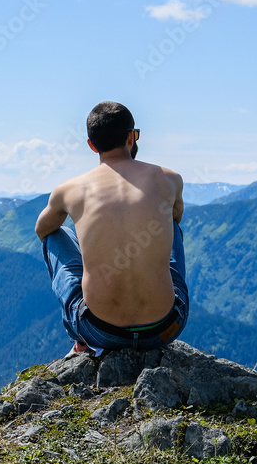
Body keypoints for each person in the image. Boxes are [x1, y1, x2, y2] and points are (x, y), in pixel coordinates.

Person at [35, 101, 188, 359]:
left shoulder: (70, 189)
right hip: (167, 326)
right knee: (170, 224)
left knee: (55, 235)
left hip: (98, 330)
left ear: (92, 145)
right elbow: (176, 218)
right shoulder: (170, 179)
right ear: (131, 136)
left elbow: (42, 230)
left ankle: (79, 341)